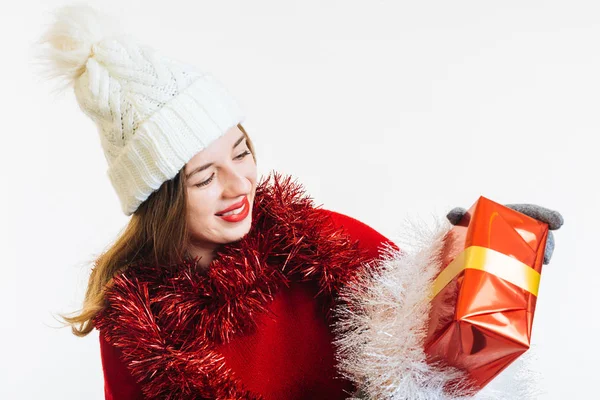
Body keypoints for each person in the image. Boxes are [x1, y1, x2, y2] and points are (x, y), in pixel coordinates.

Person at [35, 5, 563, 400]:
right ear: (159, 201)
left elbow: (433, 340)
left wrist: (483, 255)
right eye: (204, 179)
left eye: (241, 153)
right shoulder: (136, 322)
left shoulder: (321, 239)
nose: (240, 185)